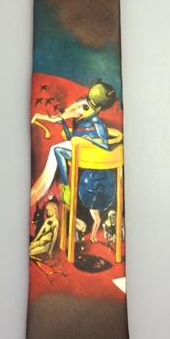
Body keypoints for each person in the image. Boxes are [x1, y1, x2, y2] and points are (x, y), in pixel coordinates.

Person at [30, 81, 117, 243]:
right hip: (78, 148)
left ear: (97, 109)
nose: (82, 109)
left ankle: (66, 186)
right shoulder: (82, 118)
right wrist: (63, 123)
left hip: (88, 154)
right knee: (56, 150)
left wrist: (87, 140)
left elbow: (104, 144)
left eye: (86, 107)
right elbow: (72, 136)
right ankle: (65, 187)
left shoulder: (97, 123)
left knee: (57, 150)